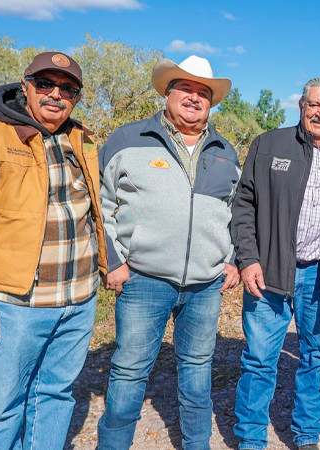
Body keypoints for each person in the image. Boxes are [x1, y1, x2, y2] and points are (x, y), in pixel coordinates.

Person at [0, 51, 106, 449]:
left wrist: (107, 269)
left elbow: (93, 212)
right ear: (25, 86)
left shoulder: (80, 138)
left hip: (78, 300)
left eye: (68, 89)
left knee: (55, 396)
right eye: (45, 84)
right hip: (17, 305)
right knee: (2, 408)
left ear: (76, 98)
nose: (56, 94)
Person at [96, 55, 241, 450]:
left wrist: (232, 260)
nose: (194, 98)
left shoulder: (225, 151)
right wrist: (113, 261)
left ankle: (197, 444)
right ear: (167, 93)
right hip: (144, 279)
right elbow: (99, 203)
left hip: (205, 286)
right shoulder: (128, 139)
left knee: (197, 371)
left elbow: (236, 212)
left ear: (211, 102)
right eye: (185, 88)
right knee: (129, 373)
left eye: (203, 92)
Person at [231, 77, 320, 450]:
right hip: (268, 271)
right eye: (314, 104)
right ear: (302, 106)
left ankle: (307, 434)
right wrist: (248, 258)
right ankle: (250, 436)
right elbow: (244, 203)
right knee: (259, 359)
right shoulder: (269, 145)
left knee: (316, 355)